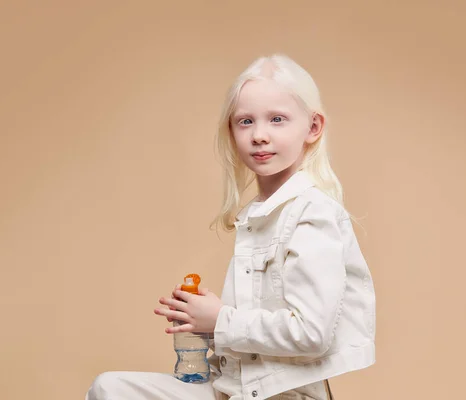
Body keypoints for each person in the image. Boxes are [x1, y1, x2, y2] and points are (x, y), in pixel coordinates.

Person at [84, 53, 376, 400]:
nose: (259, 135)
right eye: (245, 121)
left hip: (284, 395)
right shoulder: (257, 218)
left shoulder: (312, 214)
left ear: (312, 128)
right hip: (234, 389)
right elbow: (252, 340)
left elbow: (311, 335)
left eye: (277, 119)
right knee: (110, 389)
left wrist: (221, 319)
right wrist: (201, 322)